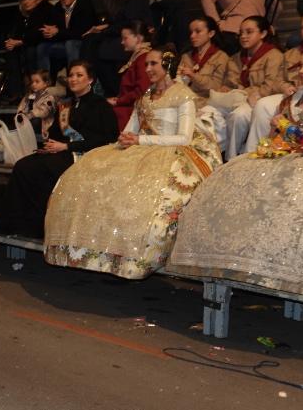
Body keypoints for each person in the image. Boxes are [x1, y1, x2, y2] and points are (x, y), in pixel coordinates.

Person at [44, 46, 223, 279]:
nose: (147, 69)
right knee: (91, 171)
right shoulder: (146, 96)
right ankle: (94, 250)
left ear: (167, 65)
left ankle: (134, 255)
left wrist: (141, 140)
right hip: (141, 149)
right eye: (146, 64)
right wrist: (127, 138)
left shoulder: (183, 96)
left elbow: (184, 137)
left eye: (153, 64)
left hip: (172, 151)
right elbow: (131, 129)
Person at [167, 84, 303, 296]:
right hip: (285, 154)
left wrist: (287, 127)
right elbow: (274, 137)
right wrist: (277, 132)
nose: (302, 71)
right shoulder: (294, 97)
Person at [0, 61, 118, 238]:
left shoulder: (100, 106)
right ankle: (19, 226)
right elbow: (56, 134)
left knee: (40, 170)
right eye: (71, 75)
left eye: (79, 75)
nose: (73, 79)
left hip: (86, 155)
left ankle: (44, 228)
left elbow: (105, 139)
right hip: (63, 152)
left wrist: (67, 146)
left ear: (90, 79)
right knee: (23, 165)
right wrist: (49, 147)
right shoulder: (65, 105)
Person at [208, 15, 284, 159]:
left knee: (238, 116)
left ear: (263, 34)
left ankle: (234, 159)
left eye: (249, 32)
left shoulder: (274, 55)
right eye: (241, 33)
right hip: (239, 98)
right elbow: (232, 82)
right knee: (208, 111)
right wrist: (226, 88)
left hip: (259, 100)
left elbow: (270, 86)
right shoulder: (237, 57)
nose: (243, 36)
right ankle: (216, 158)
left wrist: (243, 92)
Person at [81, 0, 154, 96]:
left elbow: (129, 23)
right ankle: (85, 77)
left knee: (99, 48)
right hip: (122, 34)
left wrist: (105, 31)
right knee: (90, 40)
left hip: (135, 37)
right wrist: (103, 28)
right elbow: (119, 22)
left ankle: (95, 83)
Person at [247, 14, 303, 148]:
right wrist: (285, 87)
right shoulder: (290, 54)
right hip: (291, 94)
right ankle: (256, 149)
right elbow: (277, 80)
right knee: (262, 105)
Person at [201, 0, 276, 55]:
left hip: (233, 31)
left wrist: (216, 23)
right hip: (260, 32)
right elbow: (277, 5)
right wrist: (267, 23)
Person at [37, 0, 97, 78]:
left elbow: (82, 32)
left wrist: (58, 32)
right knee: (42, 47)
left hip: (84, 43)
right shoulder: (57, 7)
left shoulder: (85, 4)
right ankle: (44, 83)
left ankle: (73, 80)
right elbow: (56, 31)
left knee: (71, 43)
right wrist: (49, 33)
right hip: (64, 43)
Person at [4, 0, 54, 100]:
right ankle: (16, 93)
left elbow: (39, 34)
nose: (26, 1)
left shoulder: (44, 9)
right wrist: (11, 42)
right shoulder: (22, 16)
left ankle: (36, 88)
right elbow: (16, 33)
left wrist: (21, 41)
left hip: (44, 45)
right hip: (27, 44)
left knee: (30, 50)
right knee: (11, 52)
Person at [106, 20, 153, 130]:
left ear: (138, 38)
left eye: (125, 38)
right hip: (129, 105)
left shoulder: (143, 59)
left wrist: (119, 101)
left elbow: (142, 91)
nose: (122, 42)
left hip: (133, 110)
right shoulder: (137, 58)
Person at [176, 16, 230, 110]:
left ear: (211, 33)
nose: (192, 36)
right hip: (186, 101)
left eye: (198, 31)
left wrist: (194, 76)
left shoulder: (221, 57)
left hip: (209, 104)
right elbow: (179, 82)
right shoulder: (186, 56)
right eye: (191, 32)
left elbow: (216, 87)